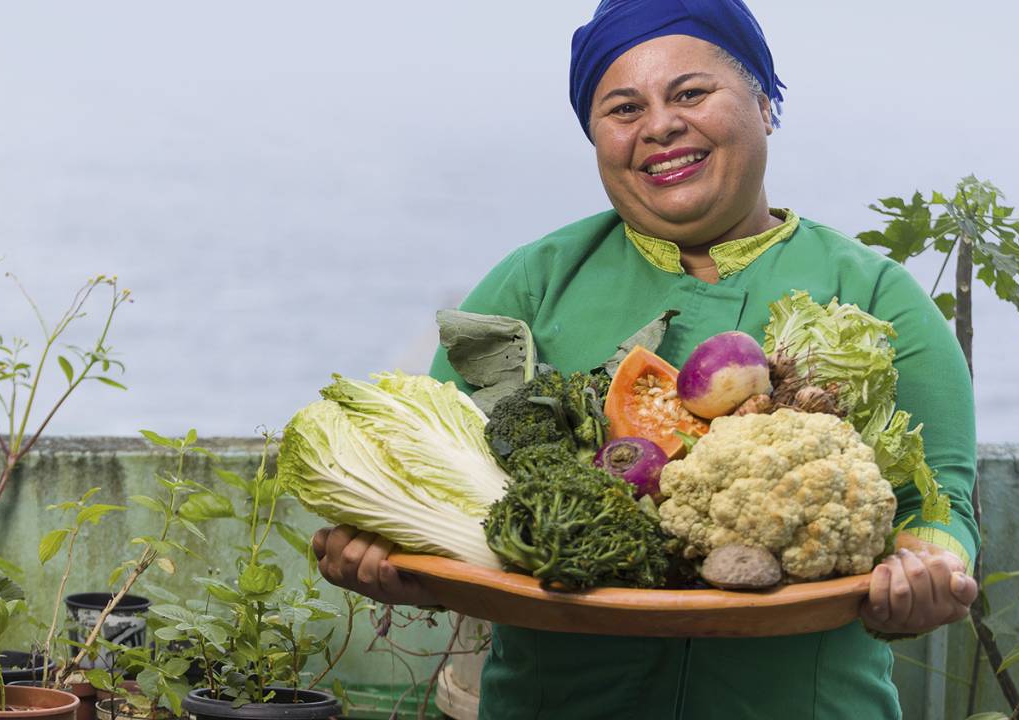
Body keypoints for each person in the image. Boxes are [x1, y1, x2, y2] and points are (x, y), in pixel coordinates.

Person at [311, 1, 980, 717]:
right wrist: (402, 556)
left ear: (764, 104)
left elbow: (940, 502)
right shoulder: (535, 282)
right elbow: (430, 464)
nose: (659, 125)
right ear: (596, 138)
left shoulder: (874, 295)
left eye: (691, 94)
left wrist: (929, 571)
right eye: (623, 108)